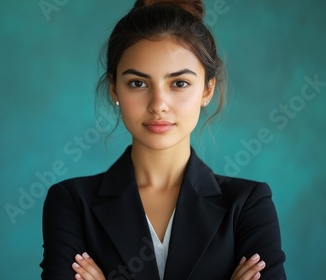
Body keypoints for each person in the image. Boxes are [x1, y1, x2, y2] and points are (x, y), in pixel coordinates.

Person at [40, 0, 286, 279]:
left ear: (207, 90)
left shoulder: (248, 205)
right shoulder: (72, 203)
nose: (159, 104)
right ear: (114, 89)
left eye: (179, 83)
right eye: (138, 83)